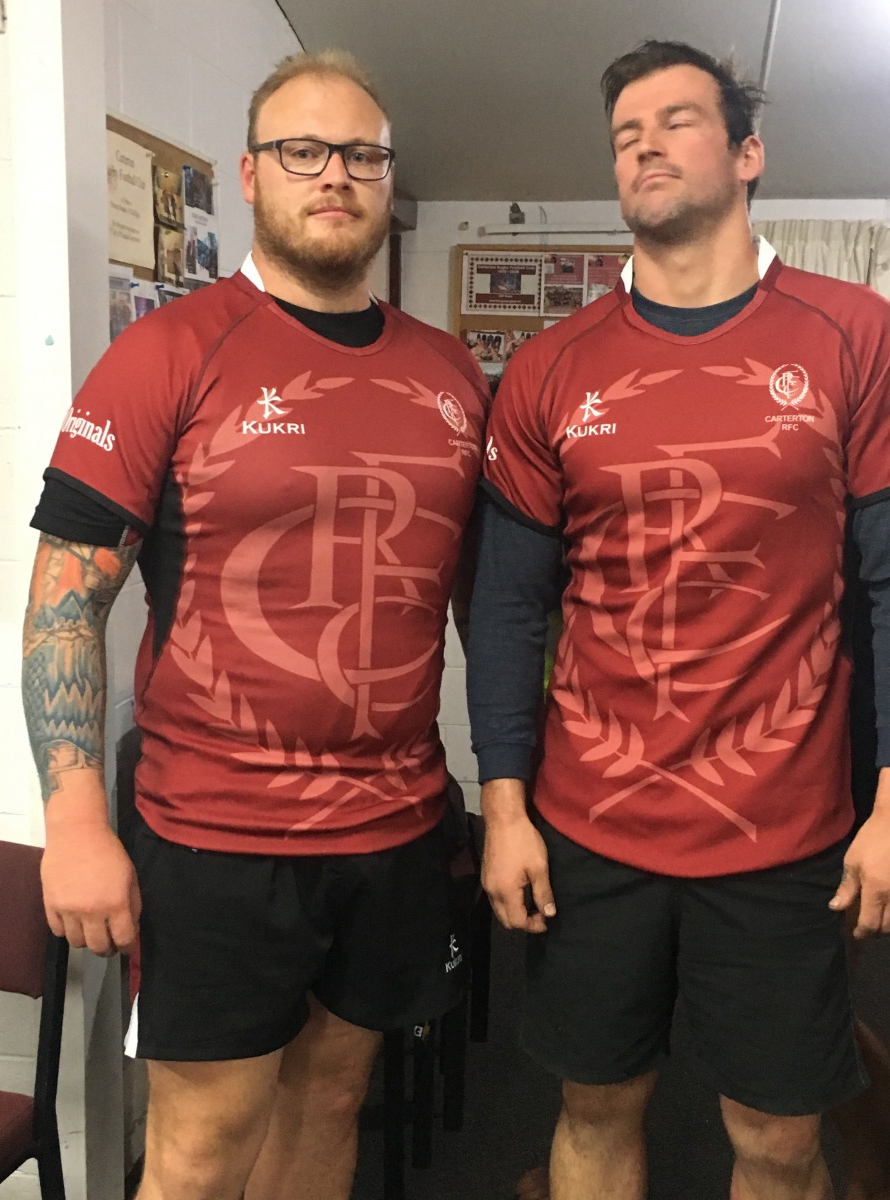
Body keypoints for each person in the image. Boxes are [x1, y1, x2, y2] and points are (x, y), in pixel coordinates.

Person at [22, 50, 488, 1200]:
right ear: (249, 174)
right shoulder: (167, 354)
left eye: (362, 155)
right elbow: (66, 601)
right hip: (215, 839)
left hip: (394, 830)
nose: (336, 175)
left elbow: (490, 607)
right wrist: (75, 821)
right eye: (303, 151)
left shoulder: (451, 376)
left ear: (388, 178)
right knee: (198, 1152)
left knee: (329, 1106)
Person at [467, 39, 890, 1200]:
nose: (643, 144)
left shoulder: (854, 335)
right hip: (591, 827)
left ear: (749, 154)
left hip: (785, 830)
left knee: (779, 1138)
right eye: (624, 134)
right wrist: (502, 808)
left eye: (676, 121)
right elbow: (507, 605)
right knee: (594, 1108)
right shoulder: (552, 366)